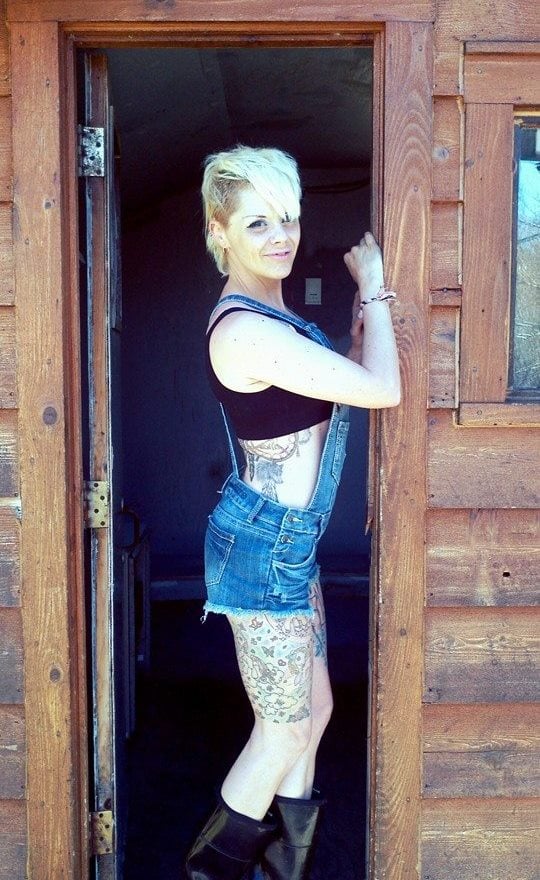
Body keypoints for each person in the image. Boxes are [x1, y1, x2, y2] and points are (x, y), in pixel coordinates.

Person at [185, 145, 400, 880]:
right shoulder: (244, 329)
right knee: (281, 732)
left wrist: (358, 329)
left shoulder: (270, 311)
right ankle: (210, 870)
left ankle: (286, 868)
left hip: (288, 541)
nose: (282, 236)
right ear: (218, 231)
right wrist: (375, 286)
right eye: (258, 223)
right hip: (261, 545)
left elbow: (337, 379)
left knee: (317, 712)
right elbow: (382, 390)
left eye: (289, 217)